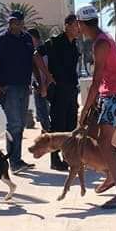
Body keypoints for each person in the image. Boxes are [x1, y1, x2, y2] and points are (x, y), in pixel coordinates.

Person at [76, 5, 116, 209]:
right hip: (109, 93)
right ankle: (112, 175)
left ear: (81, 24)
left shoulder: (100, 44)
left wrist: (84, 109)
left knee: (104, 142)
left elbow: (96, 80)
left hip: (114, 94)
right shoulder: (103, 39)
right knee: (98, 139)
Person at [0, 11, 51, 173]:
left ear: (22, 23)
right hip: (8, 88)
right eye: (12, 22)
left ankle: (16, 159)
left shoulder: (27, 39)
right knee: (14, 124)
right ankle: (14, 162)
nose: (14, 25)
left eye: (17, 22)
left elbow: (33, 62)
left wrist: (41, 81)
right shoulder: (2, 41)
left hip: (24, 87)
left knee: (20, 124)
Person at [38, 14, 82, 171]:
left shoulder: (74, 44)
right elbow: (36, 55)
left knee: (70, 125)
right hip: (59, 90)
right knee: (58, 125)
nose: (78, 29)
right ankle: (55, 159)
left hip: (71, 89)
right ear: (67, 26)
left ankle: (68, 158)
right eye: (76, 25)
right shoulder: (55, 42)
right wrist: (47, 76)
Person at [28, 28, 52, 132]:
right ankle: (46, 131)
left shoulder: (43, 51)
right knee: (42, 113)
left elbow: (47, 69)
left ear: (35, 38)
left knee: (45, 113)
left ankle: (48, 133)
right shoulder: (32, 52)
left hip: (45, 85)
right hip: (38, 86)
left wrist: (44, 85)